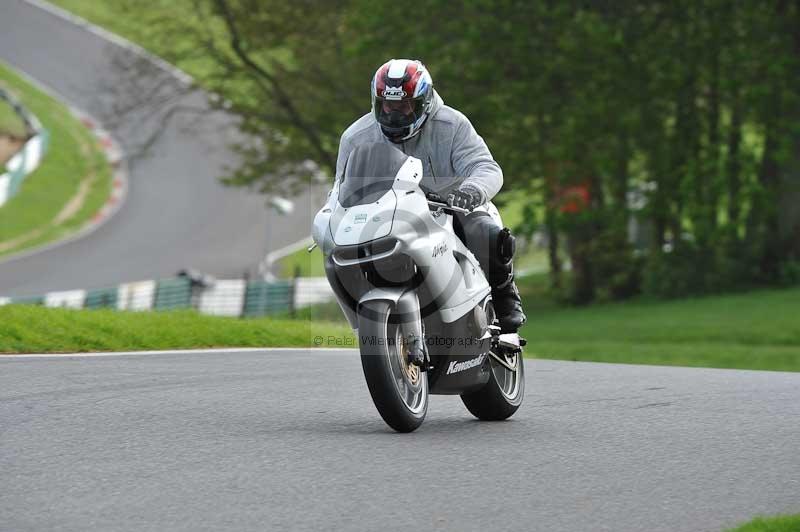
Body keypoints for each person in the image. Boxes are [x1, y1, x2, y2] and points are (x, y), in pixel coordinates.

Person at [335, 58, 525, 333]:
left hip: (451, 207)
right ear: (377, 101)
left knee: (488, 235)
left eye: (403, 106)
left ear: (422, 102)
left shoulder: (453, 124)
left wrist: (471, 191)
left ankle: (505, 296)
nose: (394, 114)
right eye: (388, 105)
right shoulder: (355, 137)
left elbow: (486, 167)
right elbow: (341, 188)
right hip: (389, 215)